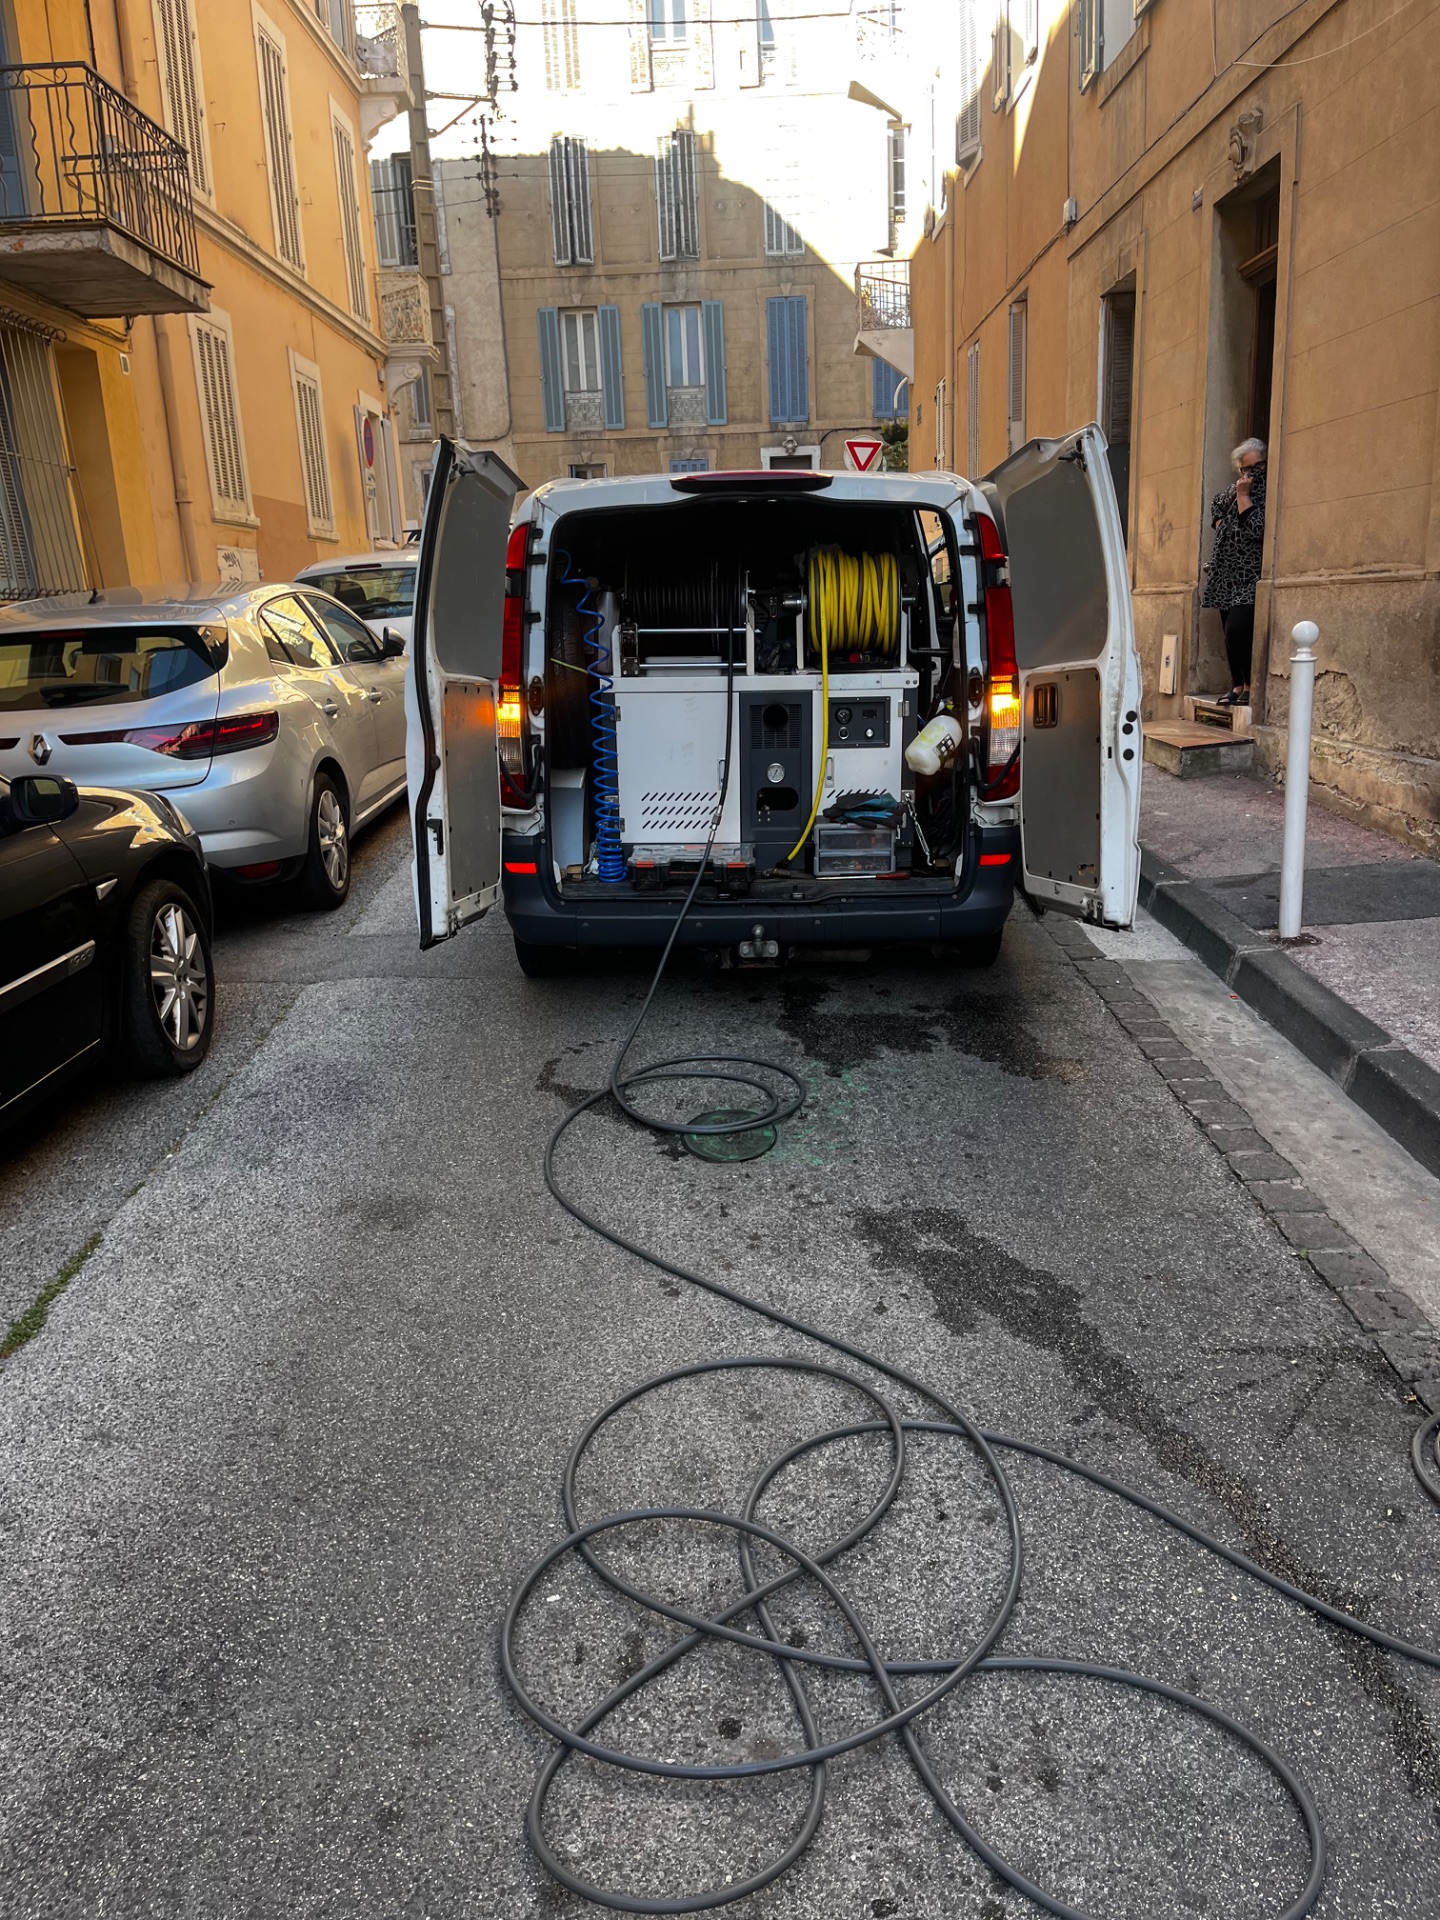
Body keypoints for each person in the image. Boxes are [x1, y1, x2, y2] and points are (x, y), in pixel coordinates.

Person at [1201, 437, 1267, 706]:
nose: (1251, 474)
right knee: (1229, 635)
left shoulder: (1262, 492)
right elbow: (1216, 503)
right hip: (1225, 572)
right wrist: (1221, 525)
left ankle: (1250, 684)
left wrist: (1244, 496)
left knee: (1238, 629)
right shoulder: (1231, 490)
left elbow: (1255, 529)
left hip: (1249, 573)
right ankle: (1237, 684)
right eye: (1246, 469)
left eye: (1257, 466)